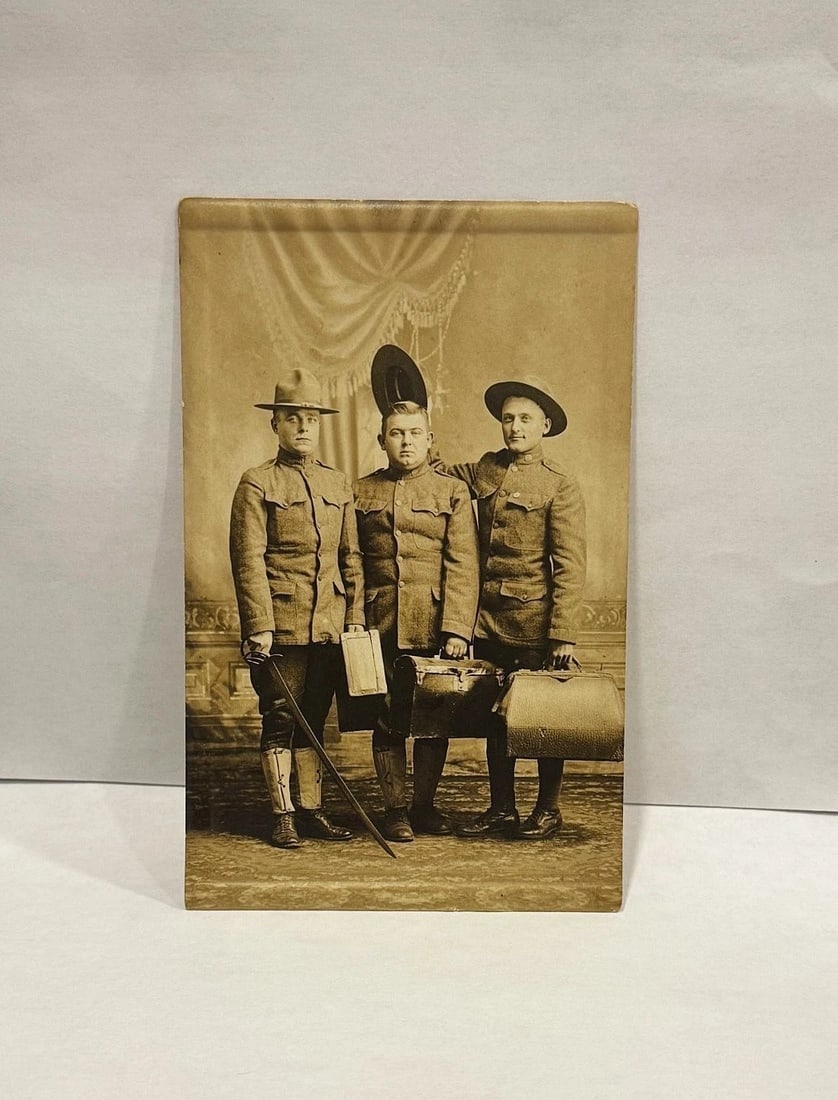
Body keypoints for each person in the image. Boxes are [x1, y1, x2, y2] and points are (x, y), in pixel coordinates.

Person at [441, 379, 587, 840]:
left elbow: (569, 565)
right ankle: (502, 807)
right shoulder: (486, 468)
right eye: (508, 419)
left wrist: (562, 634)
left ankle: (547, 809)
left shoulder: (559, 486)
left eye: (525, 419)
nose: (514, 427)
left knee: (543, 718)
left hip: (533, 622)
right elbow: (440, 471)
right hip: (487, 619)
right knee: (494, 719)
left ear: (544, 425)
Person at [229, 368, 366, 849]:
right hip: (280, 629)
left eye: (311, 418)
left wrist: (354, 617)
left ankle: (311, 811)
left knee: (317, 716)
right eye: (293, 418)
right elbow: (248, 561)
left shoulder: (337, 482)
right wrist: (259, 627)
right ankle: (283, 816)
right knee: (281, 719)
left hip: (328, 626)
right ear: (276, 425)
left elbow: (351, 557)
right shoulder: (256, 483)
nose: (303, 427)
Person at [354, 401, 479, 842]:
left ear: (429, 439)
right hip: (379, 623)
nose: (405, 441)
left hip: (433, 622)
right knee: (386, 717)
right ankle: (395, 810)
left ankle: (424, 806)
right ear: (382, 440)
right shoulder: (361, 491)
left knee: (431, 718)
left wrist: (457, 629)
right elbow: (352, 561)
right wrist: (356, 621)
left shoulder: (451, 493)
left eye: (414, 433)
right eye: (396, 433)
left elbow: (464, 565)